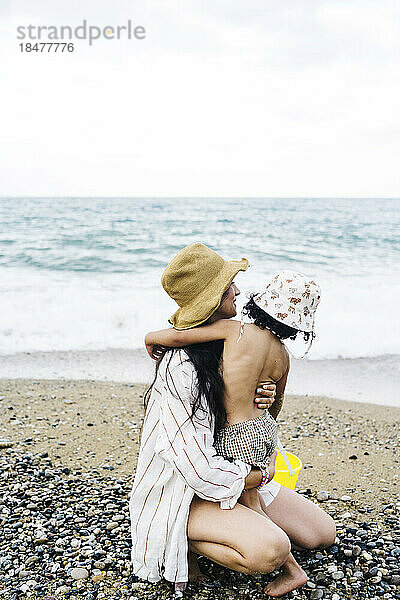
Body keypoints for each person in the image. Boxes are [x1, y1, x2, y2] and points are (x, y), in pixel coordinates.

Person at [129, 243, 335, 596]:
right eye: (229, 288)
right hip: (186, 488)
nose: (239, 291)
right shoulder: (181, 365)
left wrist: (264, 395)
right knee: (271, 549)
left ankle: (244, 525)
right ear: (211, 300)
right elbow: (193, 464)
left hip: (234, 464)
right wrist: (251, 476)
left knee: (320, 534)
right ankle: (182, 538)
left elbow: (260, 405)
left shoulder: (236, 335)